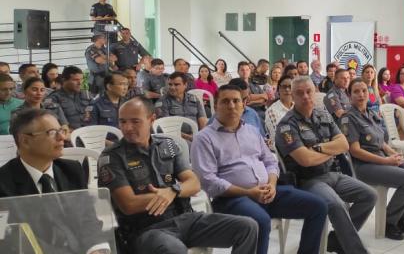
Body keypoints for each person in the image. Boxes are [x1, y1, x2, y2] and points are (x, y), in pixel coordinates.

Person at [98, 97, 259, 253]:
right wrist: (169, 195)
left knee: (247, 226)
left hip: (185, 219)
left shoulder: (167, 145)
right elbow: (129, 204)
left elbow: (194, 183)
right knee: (173, 249)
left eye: (135, 121)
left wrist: (172, 191)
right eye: (122, 121)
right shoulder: (112, 156)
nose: (127, 127)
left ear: (151, 119)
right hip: (147, 230)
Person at [191, 84, 328, 254]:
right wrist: (248, 192)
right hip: (232, 199)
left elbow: (270, 161)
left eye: (236, 101)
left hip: (268, 192)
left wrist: (271, 184)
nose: (232, 106)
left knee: (318, 206)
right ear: (216, 105)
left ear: (244, 104)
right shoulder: (204, 138)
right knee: (260, 220)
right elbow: (208, 181)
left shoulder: (252, 131)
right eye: (225, 101)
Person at [275, 76, 376, 254]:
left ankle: (337, 240)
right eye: (299, 93)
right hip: (308, 181)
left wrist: (318, 148)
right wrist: (331, 149)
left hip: (333, 174)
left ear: (315, 93)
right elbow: (305, 160)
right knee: (336, 205)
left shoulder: (322, 113)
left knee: (370, 195)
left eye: (309, 92)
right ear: (292, 95)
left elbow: (344, 144)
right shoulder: (286, 125)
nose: (305, 96)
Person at [0, 109, 110, 254]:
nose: (62, 137)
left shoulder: (72, 170)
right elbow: (10, 240)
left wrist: (97, 248)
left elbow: (87, 218)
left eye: (61, 130)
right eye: (51, 132)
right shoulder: (4, 183)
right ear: (25, 140)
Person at [344, 78, 404, 240]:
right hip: (363, 166)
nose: (361, 94)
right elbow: (355, 151)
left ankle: (401, 217)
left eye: (364, 90)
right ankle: (388, 221)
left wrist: (392, 154)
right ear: (349, 95)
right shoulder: (348, 118)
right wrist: (386, 161)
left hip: (381, 158)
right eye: (356, 91)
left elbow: (381, 142)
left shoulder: (370, 113)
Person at [12, 77, 71, 144]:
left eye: (42, 90)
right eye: (34, 90)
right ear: (25, 91)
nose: (39, 93)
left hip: (59, 143)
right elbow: (19, 138)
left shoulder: (54, 107)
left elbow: (65, 128)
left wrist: (62, 134)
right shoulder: (18, 114)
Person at [155, 72, 208, 141]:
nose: (172, 87)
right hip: (175, 139)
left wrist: (200, 136)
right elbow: (165, 127)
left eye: (176, 84)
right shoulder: (163, 101)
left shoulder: (194, 99)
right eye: (170, 84)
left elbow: (202, 120)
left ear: (185, 85)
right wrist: (190, 138)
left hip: (196, 136)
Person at [47, 66, 93, 131]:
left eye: (81, 79)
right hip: (69, 135)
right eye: (75, 80)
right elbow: (57, 123)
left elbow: (94, 114)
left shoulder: (87, 95)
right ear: (64, 80)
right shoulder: (54, 98)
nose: (80, 83)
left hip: (91, 131)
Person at [88, 72, 129, 142]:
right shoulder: (96, 105)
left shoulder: (128, 103)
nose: (125, 88)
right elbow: (92, 131)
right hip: (106, 144)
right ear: (109, 87)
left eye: (126, 84)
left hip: (127, 141)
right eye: (121, 84)